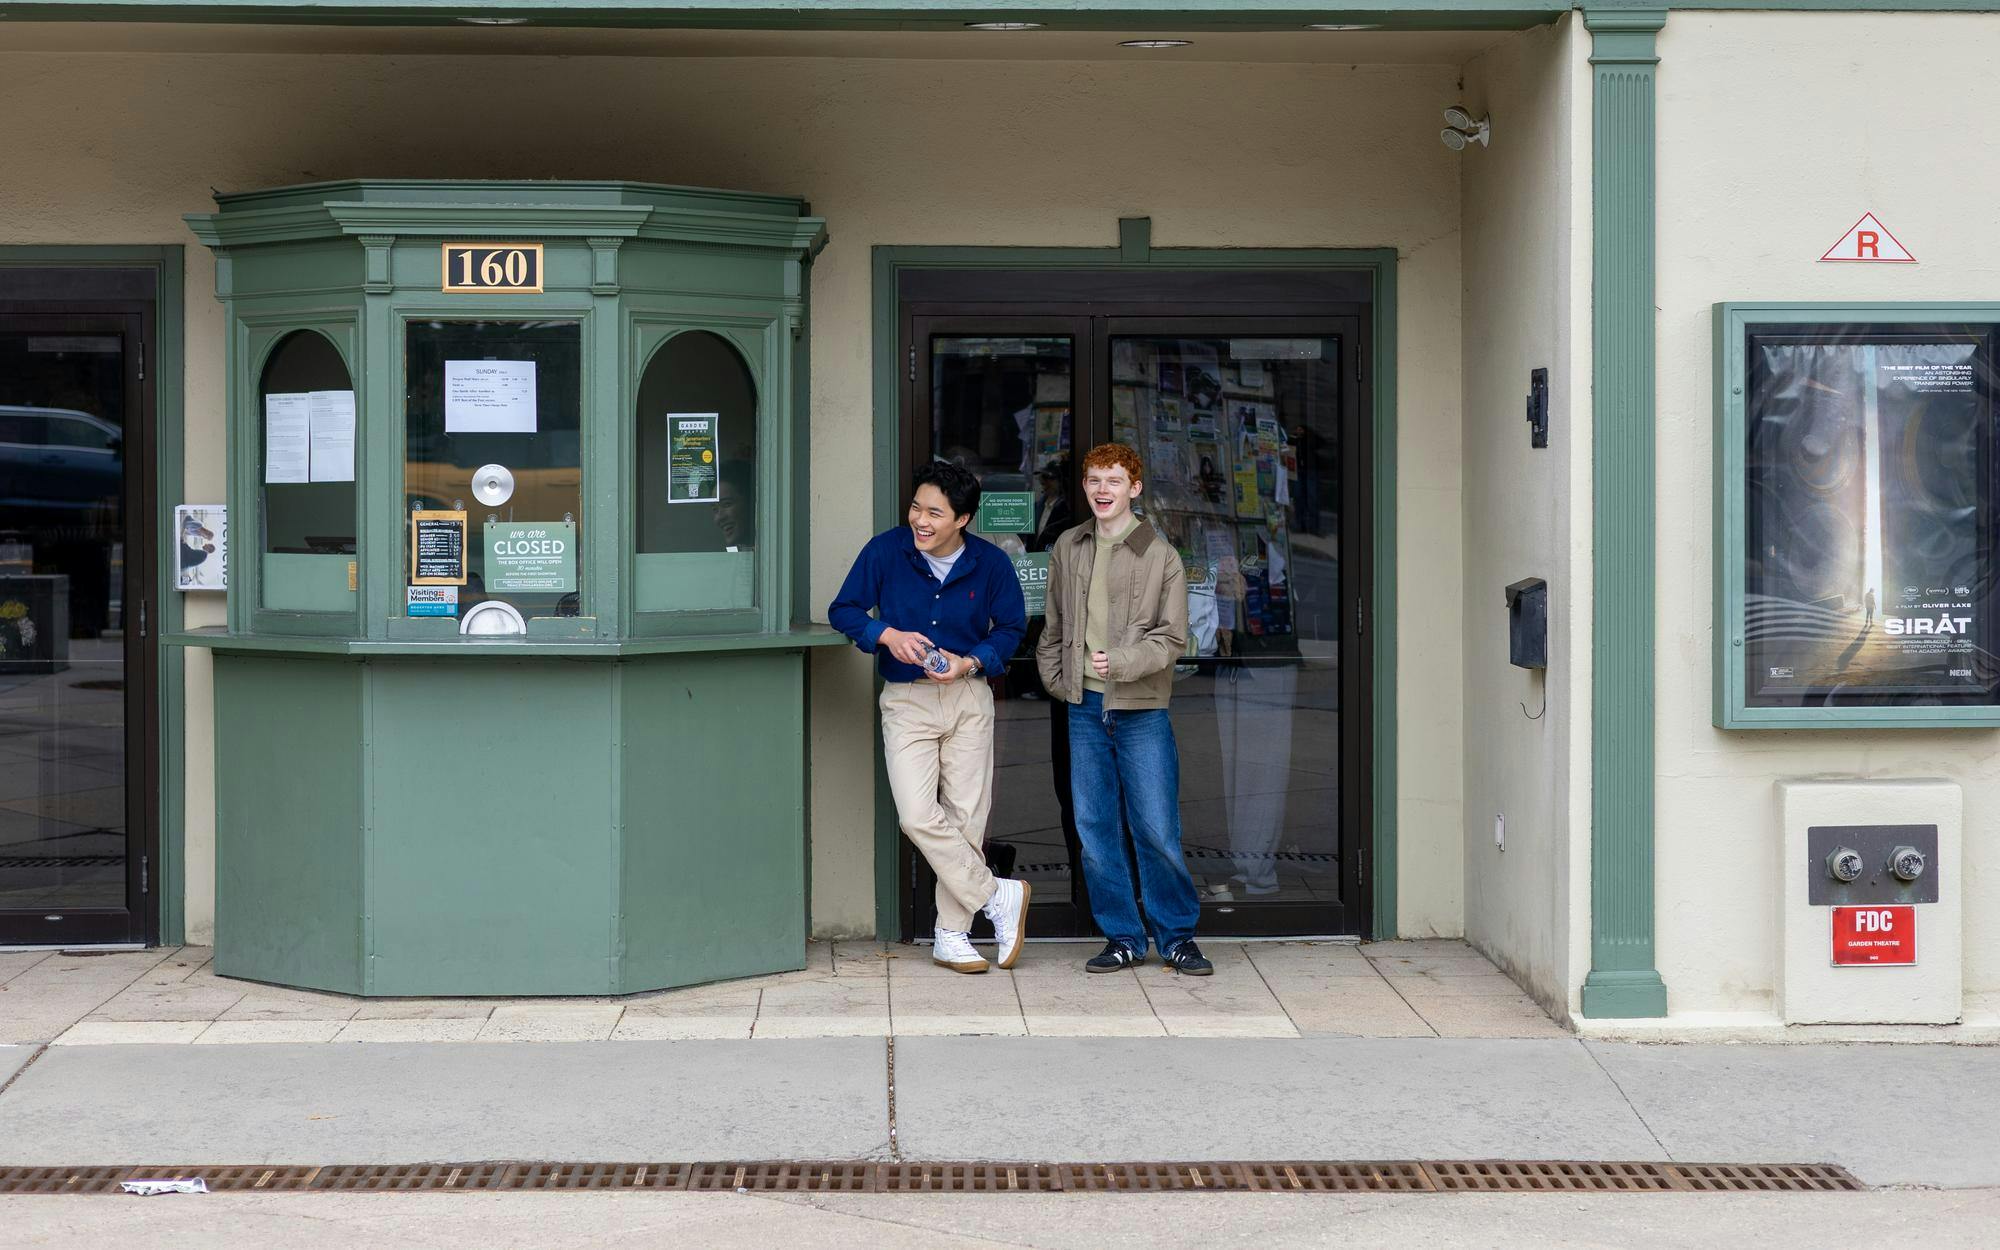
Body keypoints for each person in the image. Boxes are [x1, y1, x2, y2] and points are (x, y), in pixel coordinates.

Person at [829, 460, 1032, 974]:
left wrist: (969, 660)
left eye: (935, 513)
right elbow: (844, 609)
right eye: (917, 507)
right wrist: (886, 635)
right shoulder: (885, 551)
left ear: (962, 519)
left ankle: (952, 935)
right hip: (907, 700)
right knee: (918, 815)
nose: (921, 520)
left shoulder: (990, 563)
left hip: (967, 697)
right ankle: (997, 895)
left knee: (967, 819)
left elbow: (1010, 627)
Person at [1036, 443, 1211, 975]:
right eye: (1093, 480)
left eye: (1113, 480)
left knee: (1156, 828)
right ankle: (1123, 936)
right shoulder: (1069, 545)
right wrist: (1056, 678)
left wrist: (1125, 662)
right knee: (1094, 828)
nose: (1102, 490)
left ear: (1135, 488)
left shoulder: (1161, 554)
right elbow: (1055, 625)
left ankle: (1177, 935)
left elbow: (1172, 638)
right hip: (1084, 707)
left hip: (1140, 709)